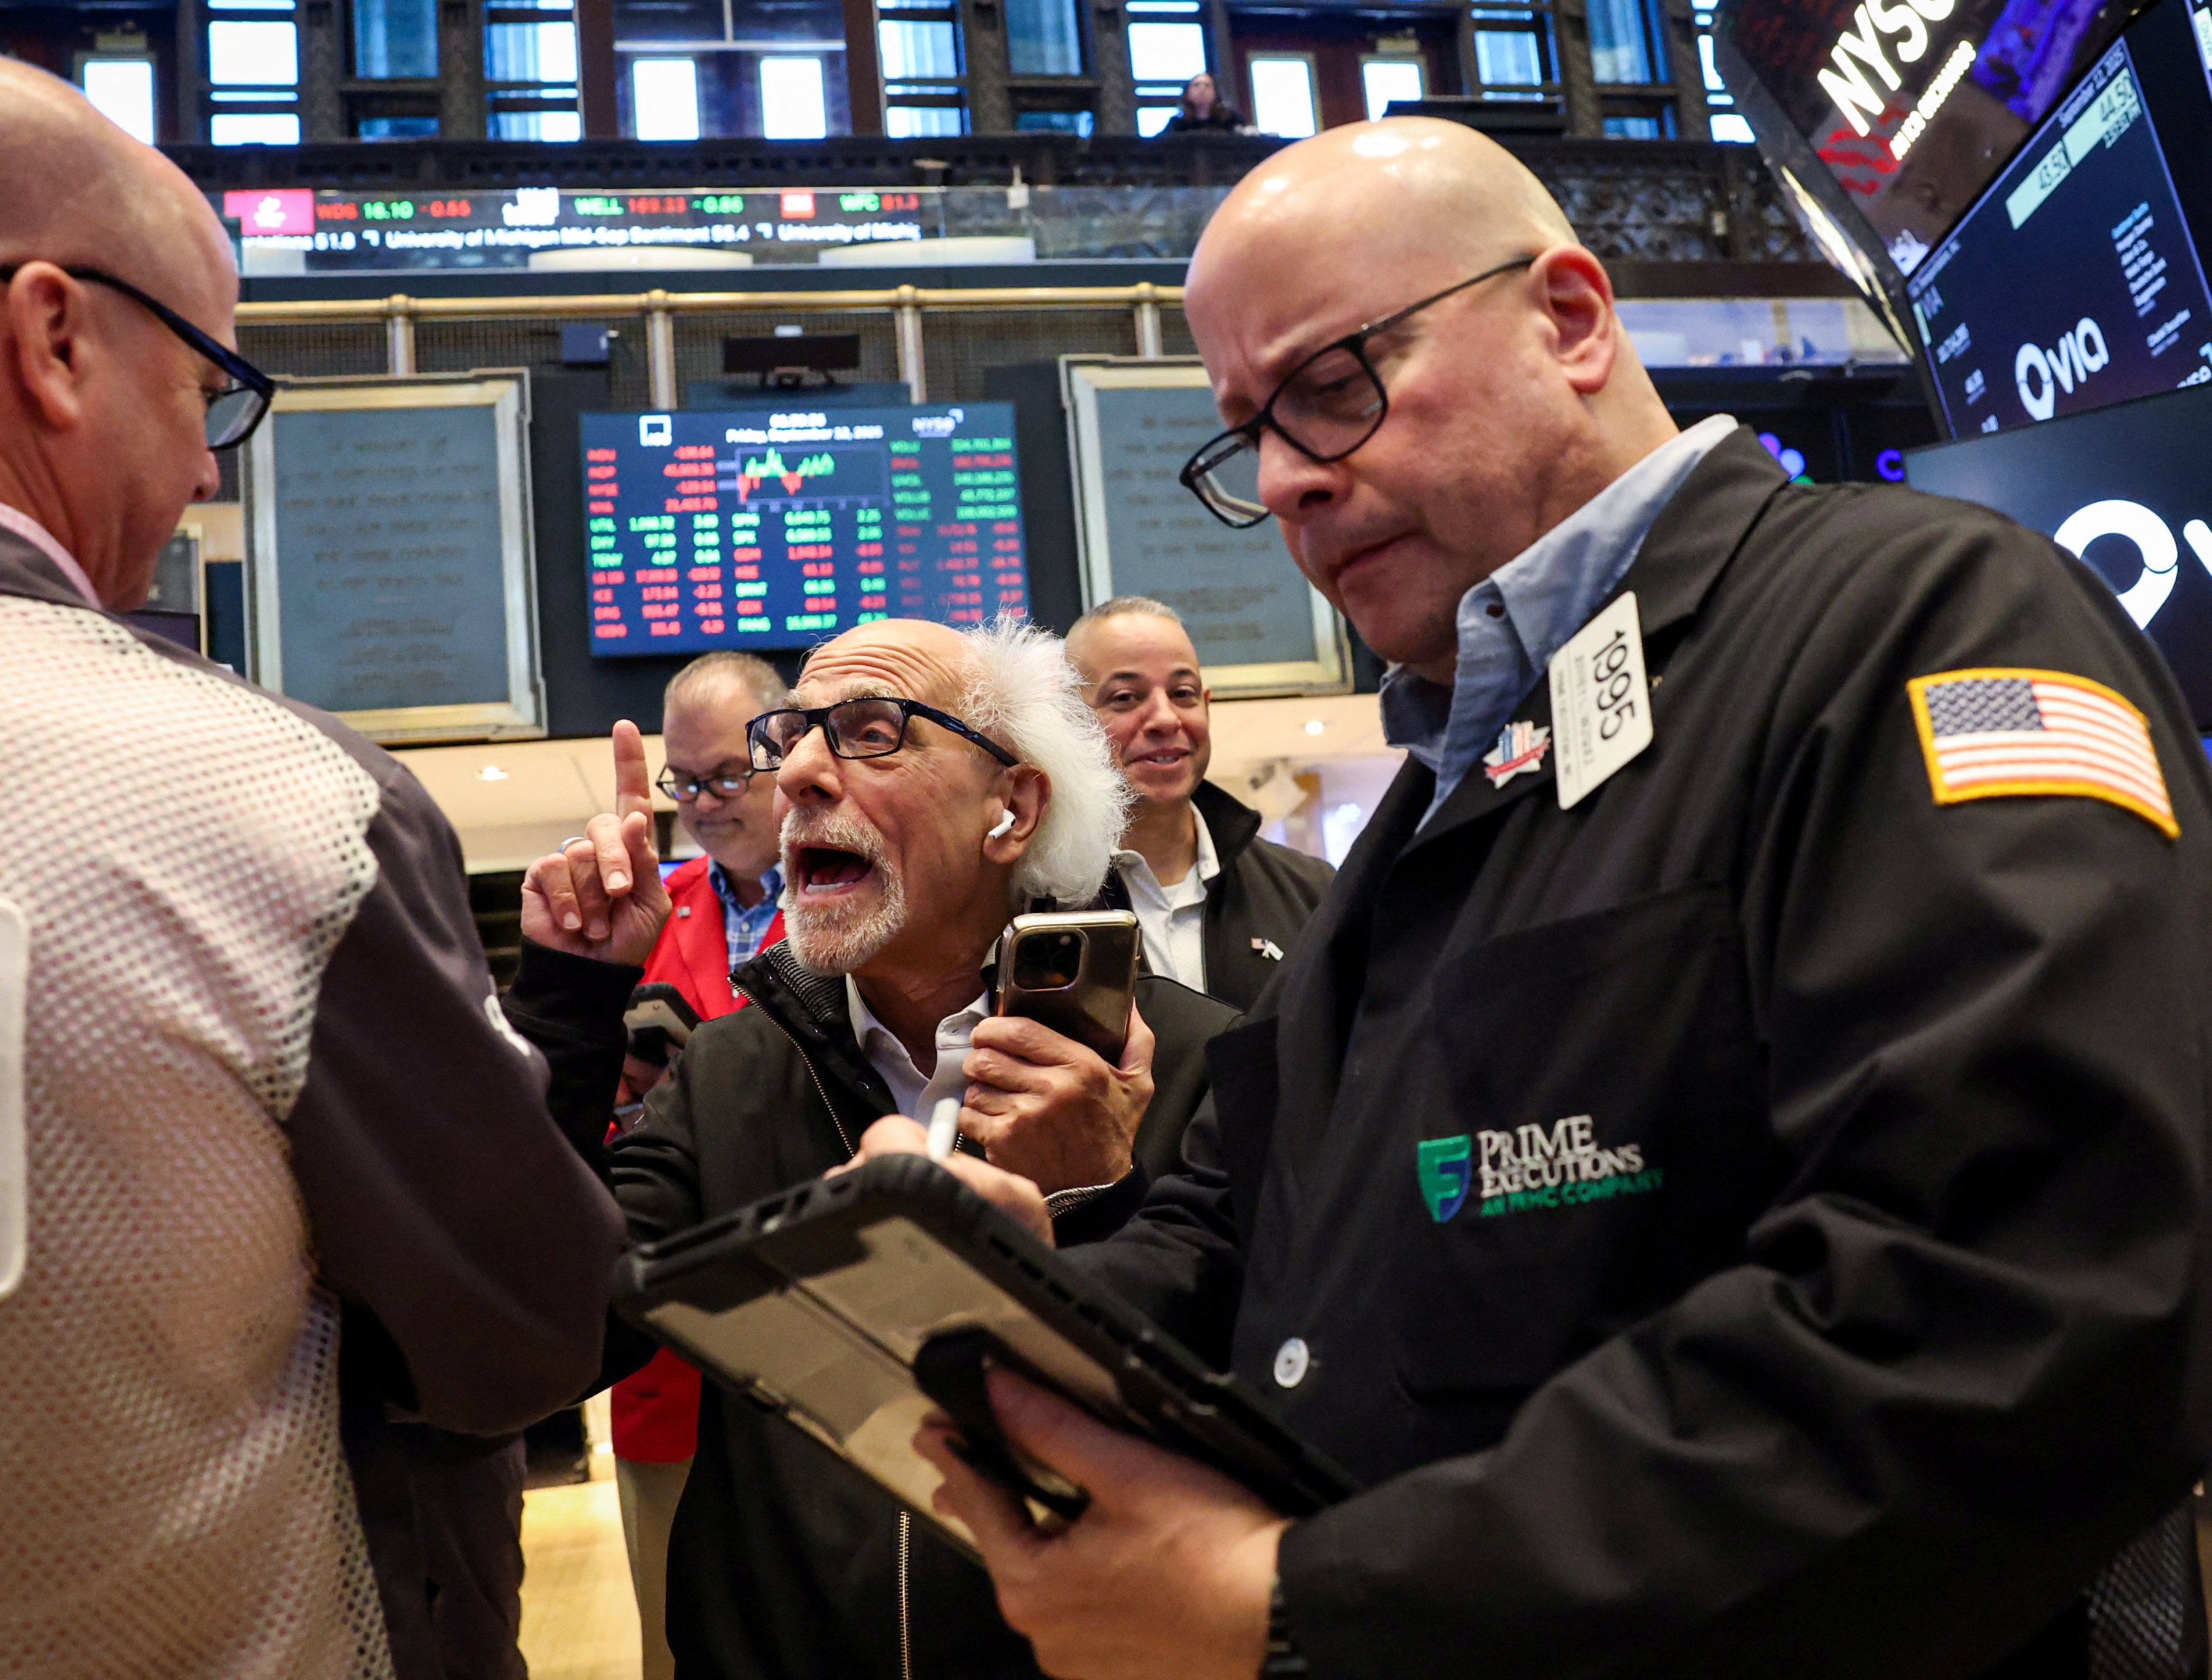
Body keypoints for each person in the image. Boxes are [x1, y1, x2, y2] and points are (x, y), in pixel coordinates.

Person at [856, 118, 2212, 1679]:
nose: (1291, 480)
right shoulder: (1447, 784)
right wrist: (1027, 1302)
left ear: (1567, 318)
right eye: (1251, 431)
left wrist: (1316, 1607)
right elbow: (1255, 1229)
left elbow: (2027, 1311)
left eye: (1333, 385)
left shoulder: (1925, 624)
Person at [0, 51, 621, 1678]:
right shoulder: (273, 806)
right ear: (55, 335)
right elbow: (523, 1331)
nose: (205, 471)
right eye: (205, 387)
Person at [503, 617, 1239, 1680]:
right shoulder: (730, 1073)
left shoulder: (1202, 1059)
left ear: (1013, 807)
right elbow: (549, 1339)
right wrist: (572, 1004)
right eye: (791, 735)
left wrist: (1095, 1196)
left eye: (869, 732)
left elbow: (1239, 1421)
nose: (796, 773)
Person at [601, 649, 791, 1680]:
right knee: (679, 1650)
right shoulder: (645, 918)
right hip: (673, 1372)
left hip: (835, 1341)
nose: (706, 804)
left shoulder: (866, 902)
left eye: (727, 775)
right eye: (687, 782)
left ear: (785, 748)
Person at [1068, 596, 1334, 1010]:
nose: (1165, 718)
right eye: (1125, 697)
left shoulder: (1311, 892)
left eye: (1182, 693)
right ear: (1068, 720)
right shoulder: (1026, 901)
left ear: (1205, 706)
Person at [1162, 72, 1249, 135]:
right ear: (1187, 94)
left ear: (1215, 94)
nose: (1202, 89)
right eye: (1197, 85)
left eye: (1207, 85)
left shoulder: (1231, 120)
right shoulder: (1177, 124)